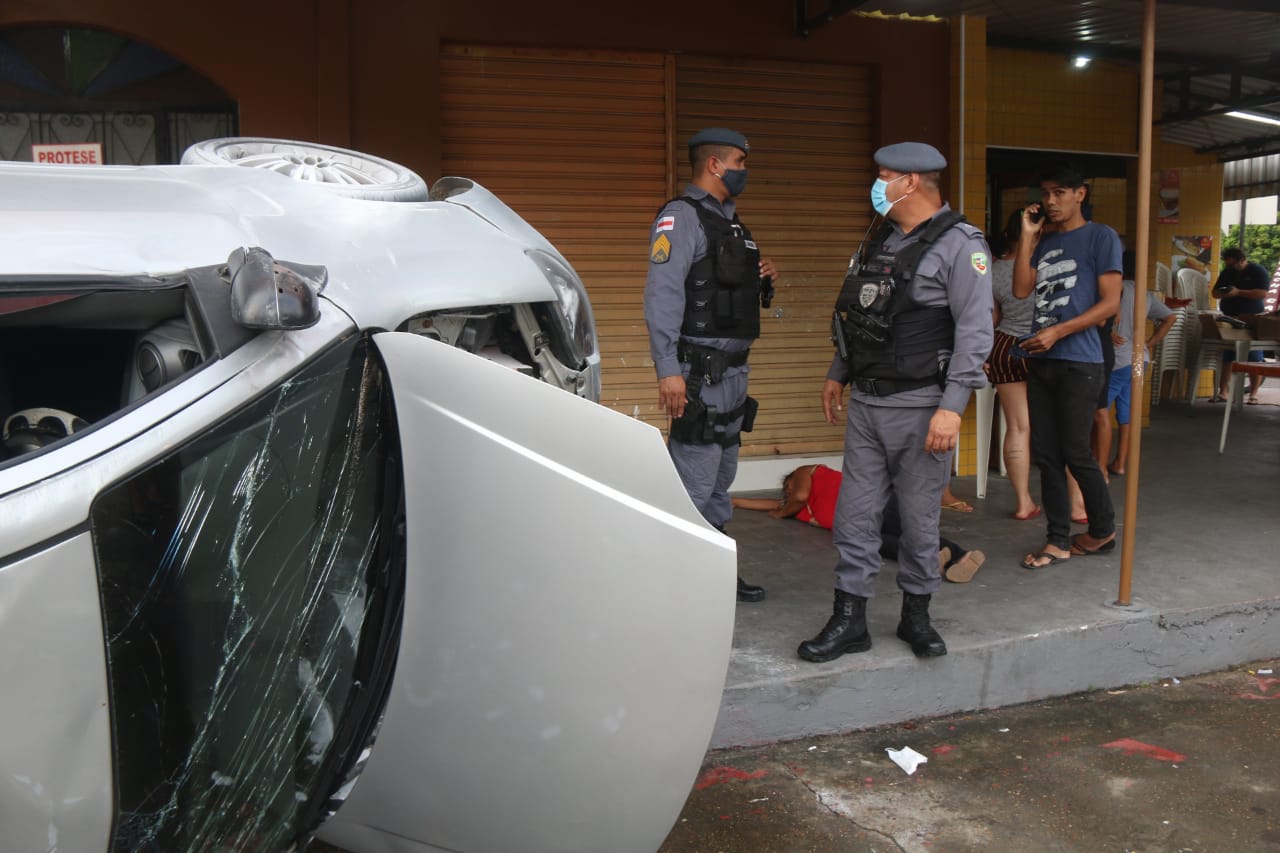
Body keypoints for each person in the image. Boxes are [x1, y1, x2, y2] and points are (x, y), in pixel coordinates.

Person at [798, 141, 992, 662]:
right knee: (855, 518)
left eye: (884, 176)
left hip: (923, 407)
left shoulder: (960, 244)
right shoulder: (879, 239)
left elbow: (976, 333)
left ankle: (916, 616)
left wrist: (953, 407)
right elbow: (859, 315)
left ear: (911, 182)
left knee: (918, 519)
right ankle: (850, 619)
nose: (877, 186)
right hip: (867, 404)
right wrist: (838, 372)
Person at [643, 127, 777, 602]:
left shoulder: (733, 223)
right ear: (715, 165)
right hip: (699, 374)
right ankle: (676, 583)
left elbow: (721, 288)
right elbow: (662, 296)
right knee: (695, 479)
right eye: (740, 161)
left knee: (721, 479)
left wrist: (760, 277)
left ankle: (714, 571)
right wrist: (668, 370)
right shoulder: (681, 218)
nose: (745, 170)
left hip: (736, 373)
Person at [1013, 163, 1121, 570]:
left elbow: (1110, 305)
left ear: (1081, 193)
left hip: (1080, 360)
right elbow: (1022, 289)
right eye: (1046, 192)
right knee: (1046, 454)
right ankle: (1058, 539)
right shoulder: (1046, 241)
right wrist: (1027, 238)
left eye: (1060, 192)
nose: (1051, 201)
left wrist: (1059, 332)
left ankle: (1103, 529)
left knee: (1076, 451)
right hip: (1043, 360)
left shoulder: (1101, 236)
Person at [731, 464, 986, 583]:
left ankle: (956, 555)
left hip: (875, 501)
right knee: (883, 543)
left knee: (908, 530)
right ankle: (942, 559)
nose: (786, 493)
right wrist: (737, 501)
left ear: (790, 479)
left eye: (786, 488)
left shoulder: (807, 473)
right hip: (859, 523)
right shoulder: (800, 507)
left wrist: (780, 513)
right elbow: (779, 503)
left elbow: (794, 498)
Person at [985, 211, 1039, 520]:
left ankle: (1023, 502)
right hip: (1046, 347)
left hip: (1005, 346)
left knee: (1017, 427)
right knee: (1061, 428)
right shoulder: (1045, 267)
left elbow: (991, 319)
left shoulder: (993, 270)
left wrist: (982, 354)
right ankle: (1076, 502)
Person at [1106, 251, 1176, 475]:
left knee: (1099, 412)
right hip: (1140, 360)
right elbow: (1170, 318)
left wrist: (1108, 332)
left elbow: (1102, 317)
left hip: (1118, 360)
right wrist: (1150, 343)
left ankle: (1098, 464)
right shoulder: (1145, 294)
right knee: (1127, 413)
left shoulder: (1116, 288)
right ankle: (1120, 463)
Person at [1210, 247, 1270, 404]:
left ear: (1242, 259)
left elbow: (1262, 293)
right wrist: (1224, 292)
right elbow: (1214, 293)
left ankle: (1253, 393)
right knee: (1228, 355)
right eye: (1228, 265)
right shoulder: (1228, 272)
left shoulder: (1258, 271)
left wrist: (1238, 292)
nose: (1231, 268)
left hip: (1251, 318)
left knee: (1254, 357)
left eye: (1234, 265)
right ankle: (1223, 391)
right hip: (1230, 316)